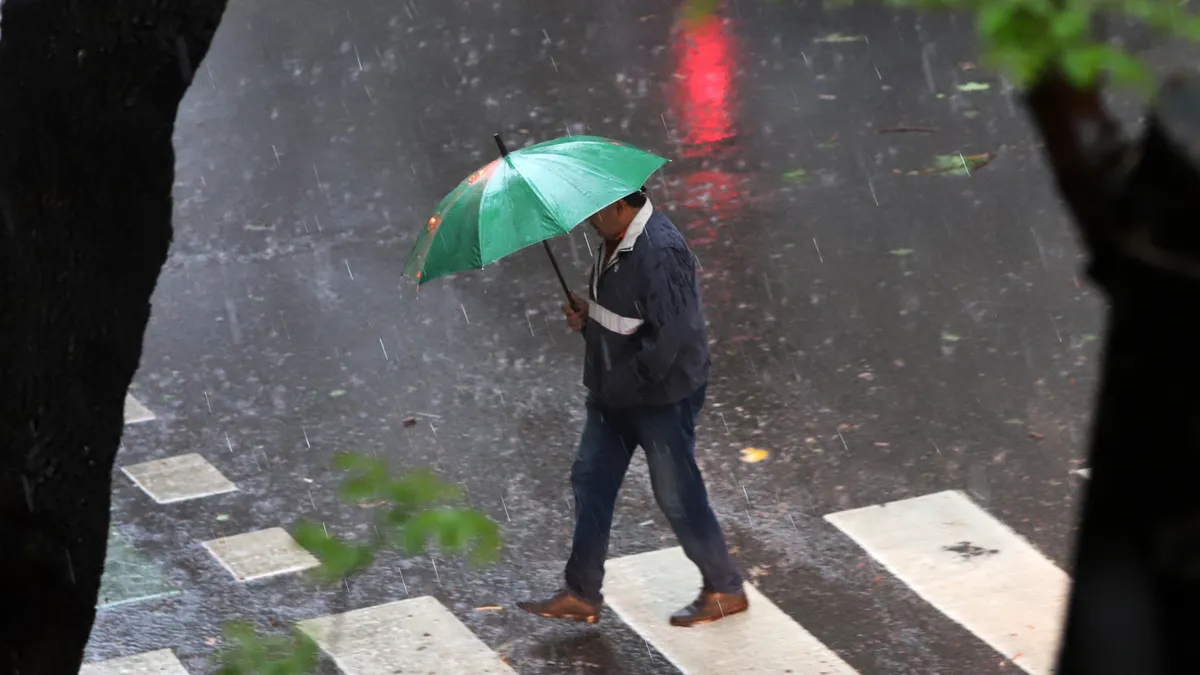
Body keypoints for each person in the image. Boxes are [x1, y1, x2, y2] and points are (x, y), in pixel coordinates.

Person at [517, 188, 747, 628]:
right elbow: (627, 318)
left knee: (677, 493)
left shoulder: (661, 251)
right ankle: (582, 592)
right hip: (616, 394)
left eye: (593, 211)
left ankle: (725, 588)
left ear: (620, 205)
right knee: (591, 480)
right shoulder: (615, 241)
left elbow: (669, 339)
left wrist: (623, 382)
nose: (586, 220)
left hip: (659, 398)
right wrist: (590, 319)